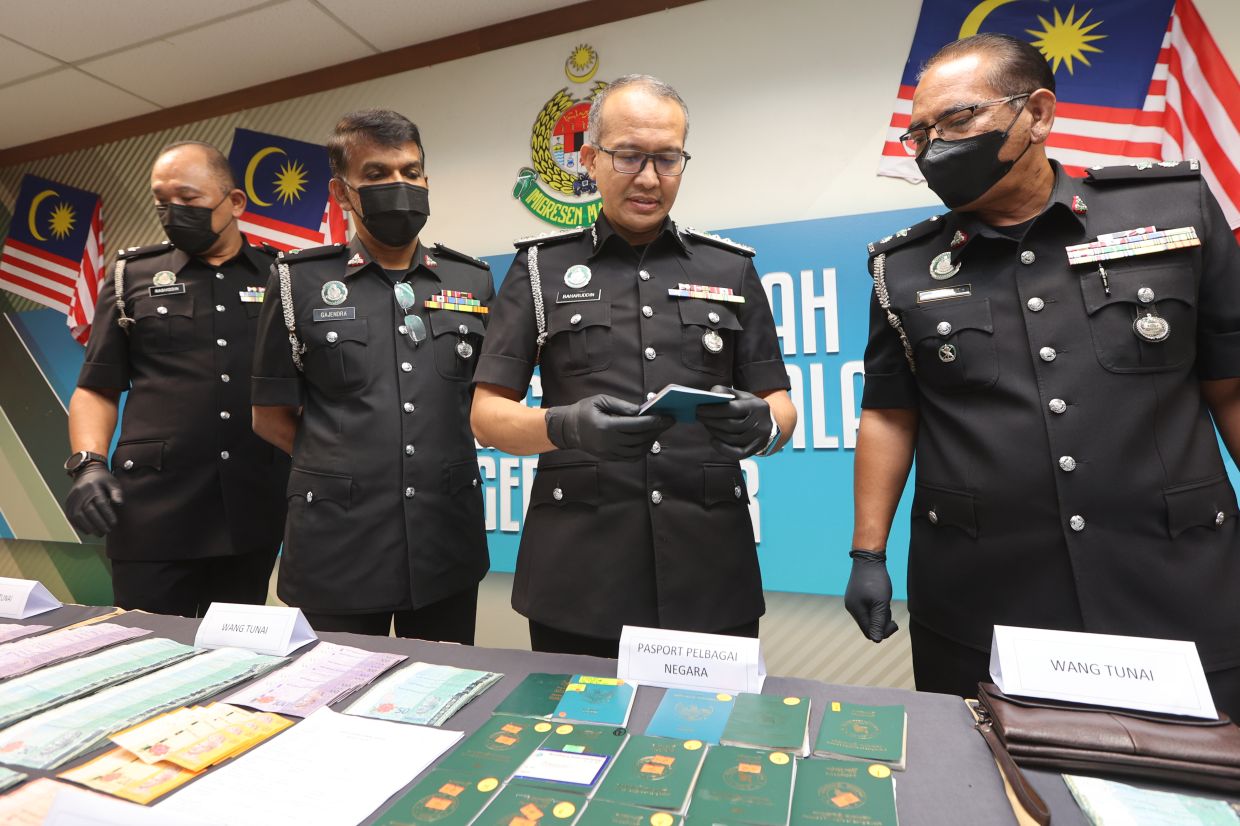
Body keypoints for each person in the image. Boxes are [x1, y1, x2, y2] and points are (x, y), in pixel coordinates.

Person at [846, 33, 1240, 717]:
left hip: (1178, 581)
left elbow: (1231, 384)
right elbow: (889, 411)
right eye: (920, 134)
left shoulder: (1172, 214)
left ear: (1038, 113)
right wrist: (867, 553)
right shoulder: (902, 268)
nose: (936, 146)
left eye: (959, 120)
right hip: (987, 596)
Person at [471, 75, 797, 657]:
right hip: (579, 575)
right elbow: (487, 415)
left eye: (666, 159)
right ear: (592, 159)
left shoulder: (730, 269)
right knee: (576, 745)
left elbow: (780, 404)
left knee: (708, 743)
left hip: (710, 571)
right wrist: (564, 426)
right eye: (629, 156)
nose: (649, 178)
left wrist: (764, 426)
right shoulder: (540, 271)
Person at [251, 110, 490, 640]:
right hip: (338, 544)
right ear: (342, 192)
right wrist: (348, 465)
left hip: (444, 539)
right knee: (333, 699)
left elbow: (485, 402)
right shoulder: (298, 281)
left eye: (411, 171)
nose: (399, 186)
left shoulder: (471, 279)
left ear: (426, 180)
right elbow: (269, 416)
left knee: (445, 694)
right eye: (377, 174)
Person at [64, 141, 288, 617]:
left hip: (251, 507)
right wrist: (88, 463)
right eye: (162, 202)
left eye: (189, 199)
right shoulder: (132, 276)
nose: (173, 212)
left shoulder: (280, 277)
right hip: (152, 510)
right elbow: (96, 387)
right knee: (146, 653)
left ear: (234, 202)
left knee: (235, 656)